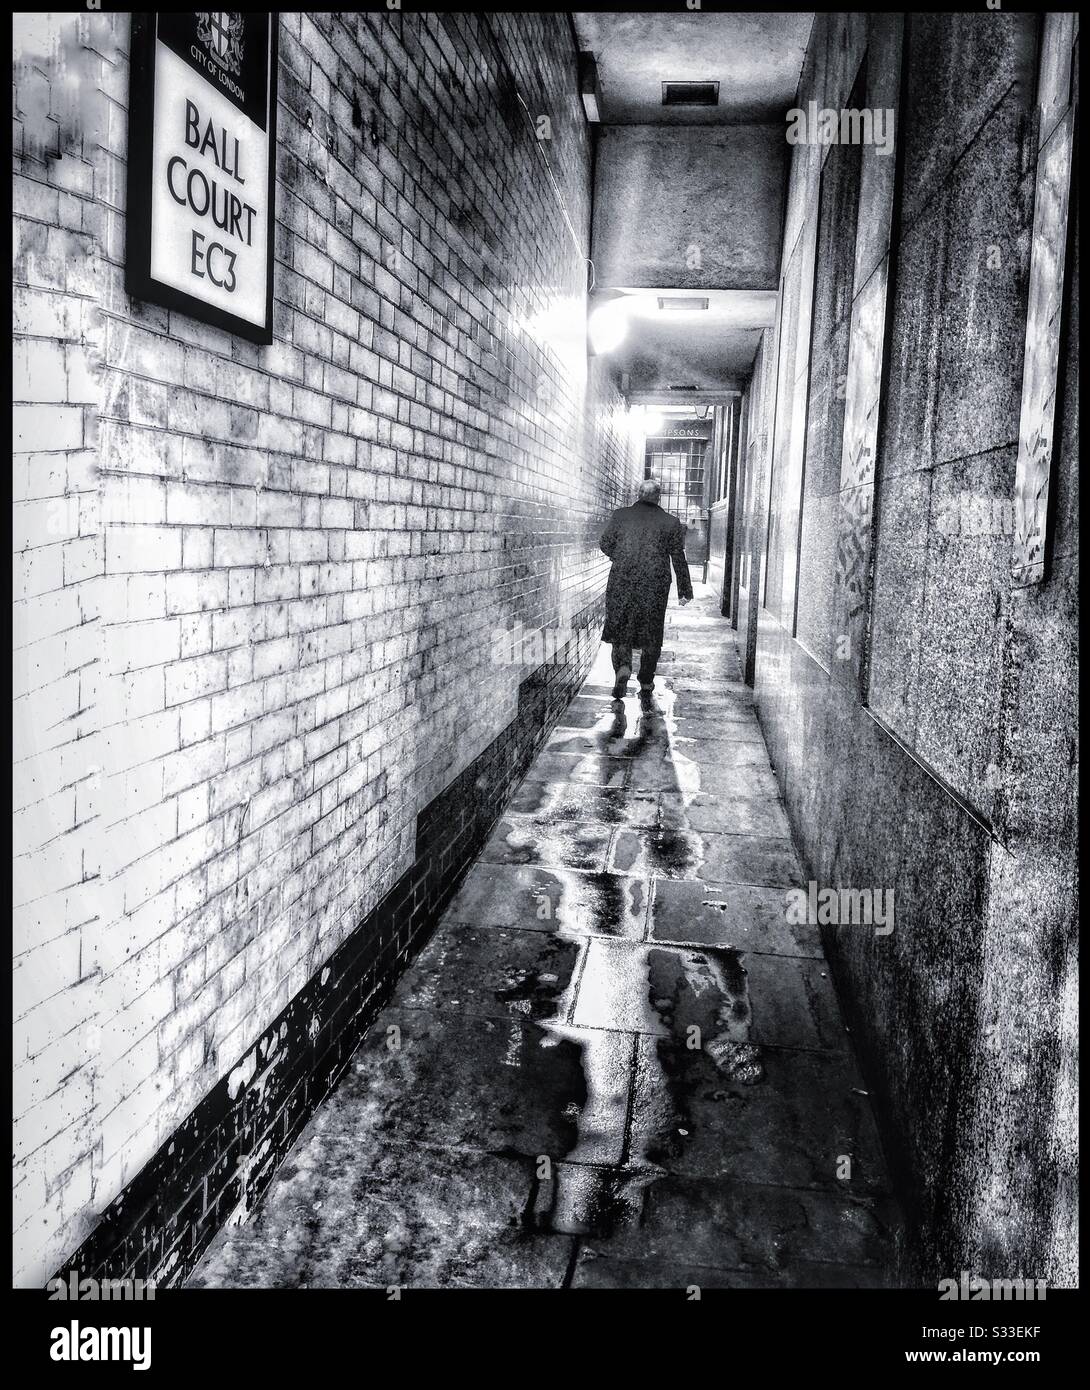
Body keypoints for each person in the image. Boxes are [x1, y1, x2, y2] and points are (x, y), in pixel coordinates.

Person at [599, 478, 692, 703]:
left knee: (621, 625)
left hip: (622, 579)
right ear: (658, 497)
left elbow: (605, 543)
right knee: (652, 631)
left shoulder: (621, 515)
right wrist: (684, 590)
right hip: (655, 584)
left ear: (638, 494)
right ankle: (646, 680)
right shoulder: (670, 522)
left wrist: (618, 556)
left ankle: (622, 667)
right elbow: (678, 556)